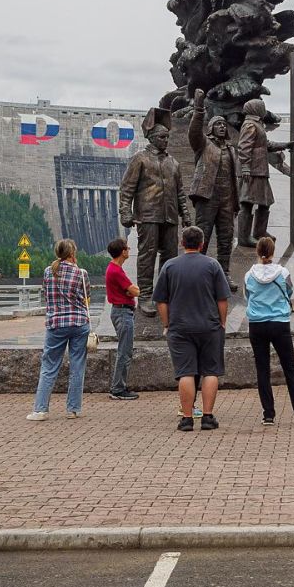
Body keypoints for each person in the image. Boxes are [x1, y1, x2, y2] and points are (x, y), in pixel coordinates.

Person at [153, 225, 231, 432]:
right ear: (202, 244)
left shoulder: (169, 266)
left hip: (180, 328)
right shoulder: (213, 266)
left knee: (185, 372)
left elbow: (161, 301)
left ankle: (187, 419)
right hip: (209, 326)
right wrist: (222, 322)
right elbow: (222, 298)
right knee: (210, 371)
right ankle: (207, 417)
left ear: (181, 243)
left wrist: (167, 324)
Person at [119, 121, 191, 317]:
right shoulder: (140, 159)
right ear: (151, 138)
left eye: (167, 137)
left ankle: (165, 294)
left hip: (170, 216)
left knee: (170, 257)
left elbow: (180, 192)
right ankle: (145, 296)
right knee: (147, 256)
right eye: (162, 137)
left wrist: (185, 213)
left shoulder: (173, 163)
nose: (165, 140)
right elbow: (127, 188)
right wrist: (125, 212)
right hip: (148, 215)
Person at [244, 236, 294, 426]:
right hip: (279, 323)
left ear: (257, 252)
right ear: (273, 252)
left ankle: (268, 414)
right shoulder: (283, 273)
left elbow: (247, 295)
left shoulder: (249, 274)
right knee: (289, 367)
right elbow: (289, 291)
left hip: (257, 324)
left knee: (262, 368)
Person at [27, 239, 90, 421]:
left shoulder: (48, 271)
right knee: (77, 366)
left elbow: (46, 295)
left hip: (56, 324)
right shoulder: (81, 273)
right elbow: (87, 298)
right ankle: (73, 409)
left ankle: (40, 410)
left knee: (49, 366)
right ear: (73, 253)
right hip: (79, 323)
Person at [188, 88, 241, 290]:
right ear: (210, 128)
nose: (221, 126)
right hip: (207, 197)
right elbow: (193, 131)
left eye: (223, 124)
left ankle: (224, 273)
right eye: (217, 124)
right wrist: (199, 108)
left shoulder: (231, 150)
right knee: (202, 235)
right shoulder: (203, 144)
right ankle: (197, 273)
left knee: (226, 238)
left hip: (227, 198)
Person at [235, 98, 292, 246]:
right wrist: (246, 167)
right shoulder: (250, 125)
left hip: (259, 171)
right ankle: (243, 238)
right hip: (252, 172)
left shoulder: (257, 124)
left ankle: (259, 232)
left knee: (265, 202)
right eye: (262, 107)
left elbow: (265, 145)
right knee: (247, 204)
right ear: (255, 109)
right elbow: (243, 147)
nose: (264, 110)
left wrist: (284, 145)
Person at [104, 237, 141, 400]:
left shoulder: (114, 268)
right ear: (122, 251)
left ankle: (119, 386)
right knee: (124, 351)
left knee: (124, 350)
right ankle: (118, 389)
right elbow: (135, 291)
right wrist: (132, 291)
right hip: (123, 313)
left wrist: (131, 290)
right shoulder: (116, 270)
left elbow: (130, 290)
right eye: (127, 248)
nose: (129, 250)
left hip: (121, 311)